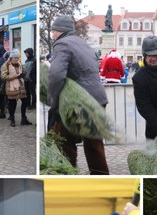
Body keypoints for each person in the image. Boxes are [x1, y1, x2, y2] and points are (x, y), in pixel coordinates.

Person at [47, 15, 110, 175]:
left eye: (53, 31)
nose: (53, 35)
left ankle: (67, 176)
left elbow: (55, 75)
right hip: (97, 100)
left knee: (64, 141)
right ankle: (101, 178)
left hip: (78, 103)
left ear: (59, 31)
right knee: (94, 144)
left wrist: (53, 101)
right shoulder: (83, 45)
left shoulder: (62, 44)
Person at [1, 48, 28, 127]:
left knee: (25, 101)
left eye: (18, 57)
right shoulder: (6, 65)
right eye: (15, 58)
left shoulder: (19, 64)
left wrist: (23, 74)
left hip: (21, 86)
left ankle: (24, 118)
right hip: (11, 87)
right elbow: (3, 76)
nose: (17, 59)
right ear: (11, 57)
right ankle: (12, 119)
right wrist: (15, 76)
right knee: (12, 104)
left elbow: (22, 71)